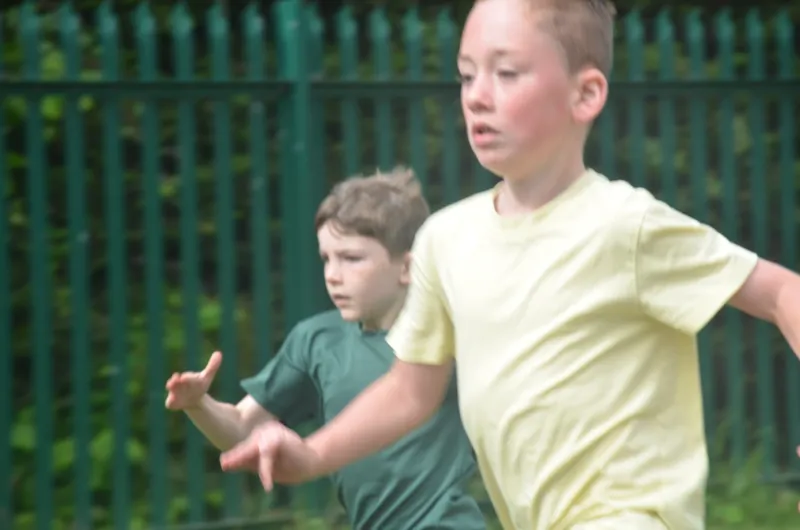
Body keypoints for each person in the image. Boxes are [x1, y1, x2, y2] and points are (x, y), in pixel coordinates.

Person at [218, 1, 800, 529]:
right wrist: (315, 454)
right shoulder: (447, 239)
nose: (476, 94)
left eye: (507, 73)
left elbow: (781, 292)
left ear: (586, 95)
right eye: (467, 75)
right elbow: (410, 392)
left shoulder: (626, 225)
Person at [165, 167, 486, 530]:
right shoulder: (317, 340)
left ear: (408, 267)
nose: (333, 274)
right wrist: (197, 405)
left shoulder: (453, 336)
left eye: (351, 259)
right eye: (326, 258)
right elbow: (242, 428)